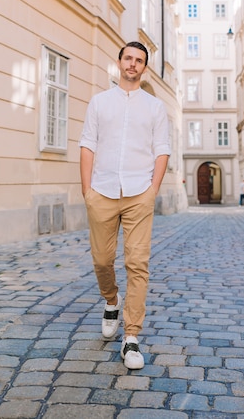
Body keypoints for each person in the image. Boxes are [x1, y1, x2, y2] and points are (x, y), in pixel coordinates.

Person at [79, 42, 170, 370]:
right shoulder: (99, 102)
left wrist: (152, 190)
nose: (133, 64)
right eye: (128, 58)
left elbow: (162, 149)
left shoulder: (155, 107)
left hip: (138, 194)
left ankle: (131, 337)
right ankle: (111, 301)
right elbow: (88, 143)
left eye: (139, 60)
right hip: (102, 191)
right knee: (103, 260)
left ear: (144, 68)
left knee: (137, 263)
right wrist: (87, 190)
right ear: (119, 62)